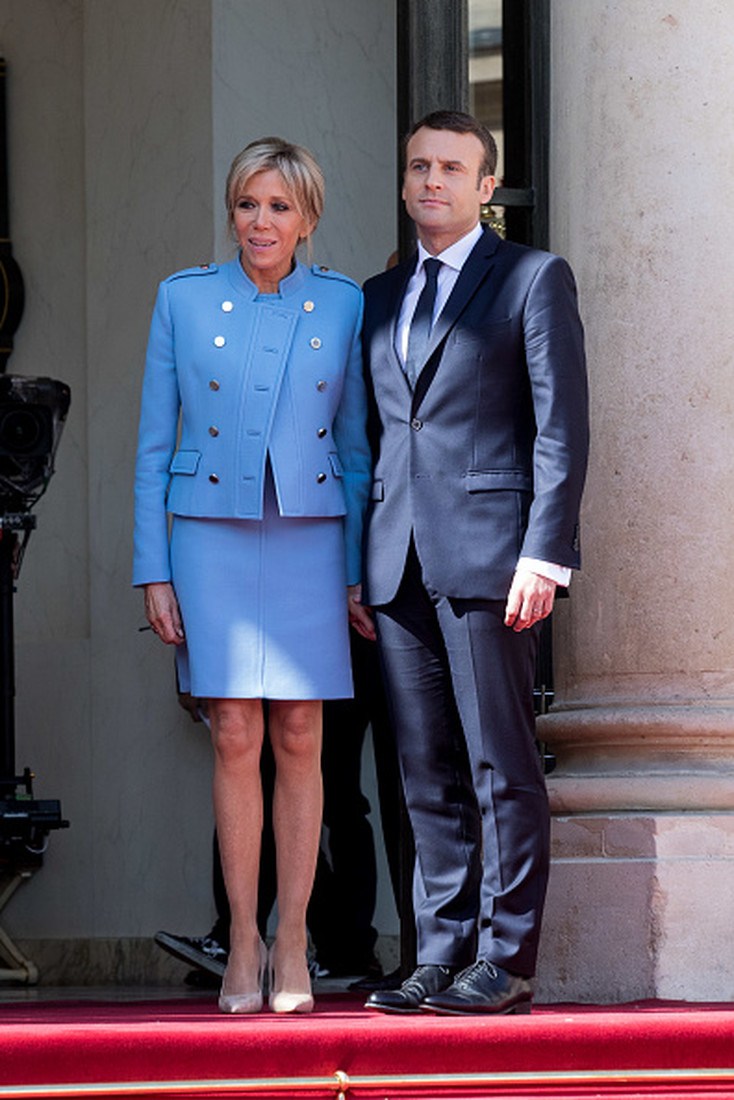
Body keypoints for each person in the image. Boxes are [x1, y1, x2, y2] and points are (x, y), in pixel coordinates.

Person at [133, 137, 372, 1014]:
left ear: (307, 217)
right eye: (247, 205)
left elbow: (354, 453)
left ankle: (295, 941)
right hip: (207, 539)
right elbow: (154, 447)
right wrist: (152, 570)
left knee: (301, 736)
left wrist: (354, 576)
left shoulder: (343, 305)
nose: (259, 222)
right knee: (232, 730)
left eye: (278, 207)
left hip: (311, 537)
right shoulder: (182, 300)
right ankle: (240, 939)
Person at [361, 110, 589, 1016]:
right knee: (424, 769)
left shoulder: (532, 278)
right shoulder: (382, 296)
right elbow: (378, 433)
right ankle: (439, 951)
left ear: (486, 187)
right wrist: (356, 564)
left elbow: (561, 428)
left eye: (453, 168)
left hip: (496, 556)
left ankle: (505, 959)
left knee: (501, 761)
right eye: (419, 165)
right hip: (395, 561)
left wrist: (546, 550)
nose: (432, 182)